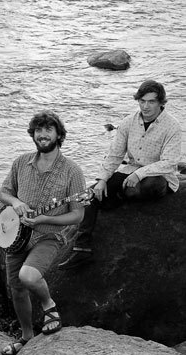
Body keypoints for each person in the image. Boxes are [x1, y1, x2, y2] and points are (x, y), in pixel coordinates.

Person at [58, 80, 182, 270]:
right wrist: (101, 180)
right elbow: (115, 155)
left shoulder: (172, 126)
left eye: (151, 102)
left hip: (159, 177)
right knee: (90, 195)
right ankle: (82, 250)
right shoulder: (128, 122)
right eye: (142, 101)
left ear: (161, 103)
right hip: (130, 172)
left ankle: (116, 198)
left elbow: (170, 162)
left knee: (146, 187)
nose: (145, 106)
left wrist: (140, 174)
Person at [0, 110, 85, 355]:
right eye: (38, 130)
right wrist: (15, 203)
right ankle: (27, 337)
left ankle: (49, 305)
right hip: (16, 235)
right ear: (32, 134)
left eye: (48, 130)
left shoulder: (72, 171)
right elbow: (4, 193)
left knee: (28, 276)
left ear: (59, 135)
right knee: (16, 288)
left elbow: (78, 215)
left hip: (49, 236)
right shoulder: (20, 163)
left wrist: (46, 219)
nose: (42, 135)